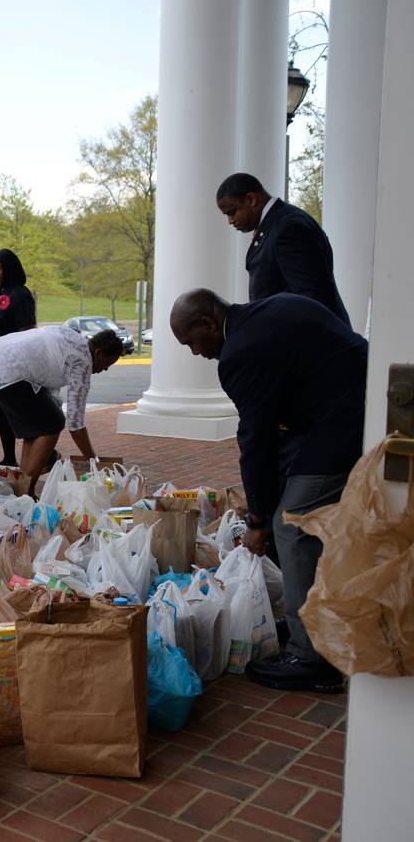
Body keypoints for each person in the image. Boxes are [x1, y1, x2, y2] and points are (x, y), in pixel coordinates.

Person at [170, 288, 365, 693]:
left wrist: (258, 519)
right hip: (342, 407)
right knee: (297, 517)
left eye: (191, 342)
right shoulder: (271, 310)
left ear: (207, 324)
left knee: (293, 526)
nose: (195, 353)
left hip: (346, 418)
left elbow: (255, 442)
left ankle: (312, 657)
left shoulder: (240, 353)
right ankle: (306, 622)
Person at [0, 326, 124, 496]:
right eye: (107, 364)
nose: (105, 369)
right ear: (98, 353)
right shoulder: (82, 362)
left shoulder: (72, 337)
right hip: (4, 372)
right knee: (54, 423)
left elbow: (48, 387)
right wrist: (94, 462)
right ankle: (26, 492)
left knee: (39, 426)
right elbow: (76, 425)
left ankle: (22, 486)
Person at [215, 172, 349, 324]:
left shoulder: (289, 227)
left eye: (232, 212)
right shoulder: (278, 222)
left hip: (314, 343)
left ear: (251, 199)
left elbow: (311, 300)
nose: (230, 221)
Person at [0, 249, 38, 467]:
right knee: (2, 408)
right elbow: (0, 327)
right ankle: (9, 456)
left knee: (17, 411)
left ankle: (43, 455)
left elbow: (26, 331)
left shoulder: (20, 294)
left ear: (9, 269)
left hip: (14, 361)